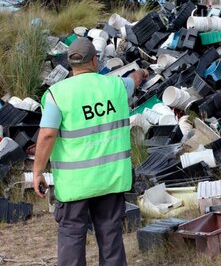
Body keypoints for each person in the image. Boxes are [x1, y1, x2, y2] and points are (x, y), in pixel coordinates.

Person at [33, 37, 149, 266]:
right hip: (111, 179)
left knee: (72, 236)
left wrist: (37, 171)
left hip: (75, 184)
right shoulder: (115, 86)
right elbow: (132, 80)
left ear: (70, 64)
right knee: (110, 234)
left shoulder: (57, 94)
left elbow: (47, 135)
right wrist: (143, 73)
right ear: (95, 61)